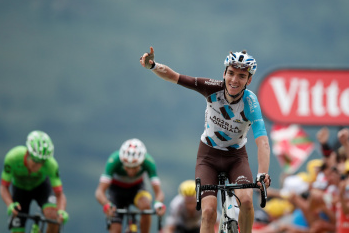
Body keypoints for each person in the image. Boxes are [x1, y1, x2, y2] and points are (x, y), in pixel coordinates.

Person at [140, 47, 271, 233]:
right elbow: (175, 77)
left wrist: (262, 174)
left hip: (236, 158)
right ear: (224, 73)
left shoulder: (250, 103)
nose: (234, 80)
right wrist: (152, 65)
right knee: (209, 212)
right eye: (231, 73)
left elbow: (263, 141)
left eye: (241, 76)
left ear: (249, 80)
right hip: (208, 156)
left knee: (247, 201)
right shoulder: (211, 87)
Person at [0, 130, 68, 233]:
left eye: (43, 162)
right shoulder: (13, 158)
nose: (39, 166)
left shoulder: (51, 165)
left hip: (41, 187)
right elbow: (4, 187)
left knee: (53, 217)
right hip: (20, 190)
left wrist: (61, 211)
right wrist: (10, 205)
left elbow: (59, 194)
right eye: (36, 160)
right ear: (28, 153)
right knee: (17, 229)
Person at [95, 138, 166, 233]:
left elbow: (159, 192)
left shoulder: (148, 162)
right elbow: (99, 191)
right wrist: (106, 204)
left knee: (145, 205)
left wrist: (158, 204)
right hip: (117, 192)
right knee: (115, 229)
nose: (131, 171)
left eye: (135, 167)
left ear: (141, 162)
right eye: (127, 167)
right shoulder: (114, 160)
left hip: (137, 189)